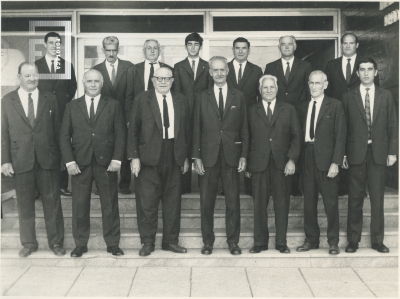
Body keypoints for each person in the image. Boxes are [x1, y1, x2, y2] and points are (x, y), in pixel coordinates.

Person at [60, 69, 126, 257]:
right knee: (80, 206)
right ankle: (80, 244)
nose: (93, 84)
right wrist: (69, 162)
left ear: (102, 83)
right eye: (89, 81)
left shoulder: (113, 105)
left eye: (97, 81)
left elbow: (121, 134)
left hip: (107, 164)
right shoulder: (72, 106)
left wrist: (116, 159)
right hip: (80, 163)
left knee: (110, 205)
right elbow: (64, 136)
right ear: (83, 82)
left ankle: (113, 244)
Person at [1, 62, 65, 257]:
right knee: (25, 203)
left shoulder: (50, 98)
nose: (32, 78)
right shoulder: (7, 100)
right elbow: (3, 133)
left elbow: (58, 130)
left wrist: (62, 158)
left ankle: (56, 243)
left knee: (52, 202)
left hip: (48, 159)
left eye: (35, 75)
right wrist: (5, 161)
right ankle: (29, 243)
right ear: (18, 77)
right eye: (27, 75)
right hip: (21, 158)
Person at [128, 67, 190, 256]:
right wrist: (134, 157)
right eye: (159, 78)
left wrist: (185, 156)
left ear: (173, 81)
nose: (163, 82)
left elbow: (187, 130)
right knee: (147, 202)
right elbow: (133, 130)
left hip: (174, 154)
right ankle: (148, 242)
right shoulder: (142, 99)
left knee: (172, 202)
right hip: (148, 156)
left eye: (167, 78)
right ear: (153, 80)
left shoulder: (181, 99)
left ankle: (170, 241)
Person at [192, 56, 248, 255]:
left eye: (222, 70)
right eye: (215, 70)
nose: (219, 73)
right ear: (210, 72)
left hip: (231, 156)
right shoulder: (201, 96)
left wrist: (243, 156)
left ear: (228, 71)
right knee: (207, 201)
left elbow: (244, 128)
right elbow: (196, 128)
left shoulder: (239, 96)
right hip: (208, 156)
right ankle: (208, 242)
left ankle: (233, 242)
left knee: (233, 201)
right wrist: (196, 157)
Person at [342, 57, 398, 254]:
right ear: (357, 73)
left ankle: (377, 240)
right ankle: (353, 240)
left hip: (379, 153)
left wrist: (392, 151)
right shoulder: (348, 96)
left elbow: (393, 125)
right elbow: (344, 129)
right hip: (356, 153)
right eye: (362, 70)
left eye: (370, 69)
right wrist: (343, 154)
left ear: (376, 72)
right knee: (355, 198)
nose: (366, 73)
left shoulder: (386, 95)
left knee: (377, 198)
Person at [245, 74, 301, 254]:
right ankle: (260, 243)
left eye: (271, 87)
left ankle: (281, 243)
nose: (268, 90)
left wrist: (291, 160)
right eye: (265, 88)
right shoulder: (251, 110)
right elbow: (246, 137)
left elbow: (296, 136)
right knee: (259, 206)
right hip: (258, 165)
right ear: (259, 90)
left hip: (281, 164)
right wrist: (246, 163)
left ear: (277, 89)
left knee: (281, 205)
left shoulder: (289, 109)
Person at [296, 71, 346, 255]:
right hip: (307, 157)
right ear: (308, 84)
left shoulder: (335, 105)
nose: (314, 86)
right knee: (308, 203)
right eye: (311, 83)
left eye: (318, 83)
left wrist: (336, 163)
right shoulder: (302, 106)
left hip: (327, 159)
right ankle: (311, 240)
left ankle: (333, 242)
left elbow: (341, 136)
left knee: (330, 203)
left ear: (325, 84)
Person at [264, 35, 312, 196]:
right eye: (283, 45)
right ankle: (275, 185)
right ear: (279, 47)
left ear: (295, 46)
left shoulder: (305, 66)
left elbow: (308, 92)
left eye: (289, 44)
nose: (286, 47)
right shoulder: (271, 66)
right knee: (277, 145)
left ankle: (294, 186)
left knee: (296, 145)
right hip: (276, 113)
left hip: (298, 113)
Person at [35, 31, 77, 197]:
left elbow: (72, 87)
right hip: (41, 114)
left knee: (63, 146)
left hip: (62, 113)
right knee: (42, 147)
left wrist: (62, 102)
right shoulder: (36, 65)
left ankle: (62, 185)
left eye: (57, 43)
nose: (54, 46)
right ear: (45, 44)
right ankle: (39, 188)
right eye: (51, 43)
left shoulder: (67, 65)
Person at [92, 36, 133, 195]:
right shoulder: (96, 69)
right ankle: (102, 184)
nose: (111, 54)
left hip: (124, 115)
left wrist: (130, 117)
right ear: (103, 50)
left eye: (114, 50)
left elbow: (132, 93)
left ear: (118, 50)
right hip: (104, 116)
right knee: (104, 148)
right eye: (108, 50)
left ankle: (124, 184)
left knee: (124, 148)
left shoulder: (128, 67)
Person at [173, 32, 213, 195]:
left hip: (203, 111)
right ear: (186, 46)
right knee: (184, 145)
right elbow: (176, 91)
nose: (193, 47)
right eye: (190, 44)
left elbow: (210, 90)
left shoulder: (207, 65)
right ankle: (184, 185)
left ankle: (204, 184)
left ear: (200, 46)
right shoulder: (178, 66)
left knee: (202, 144)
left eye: (196, 44)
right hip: (184, 111)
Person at [227, 37, 263, 196]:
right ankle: (227, 186)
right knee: (228, 148)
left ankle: (249, 186)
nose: (240, 51)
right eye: (237, 48)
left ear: (249, 50)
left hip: (249, 116)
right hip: (227, 117)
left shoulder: (256, 70)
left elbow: (260, 96)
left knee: (249, 147)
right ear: (232, 50)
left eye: (244, 48)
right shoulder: (224, 68)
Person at [125, 39, 173, 117]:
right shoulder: (133, 70)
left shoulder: (169, 69)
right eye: (149, 48)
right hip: (140, 113)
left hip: (162, 113)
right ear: (144, 51)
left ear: (159, 51)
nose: (152, 51)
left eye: (155, 48)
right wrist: (130, 119)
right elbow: (129, 97)